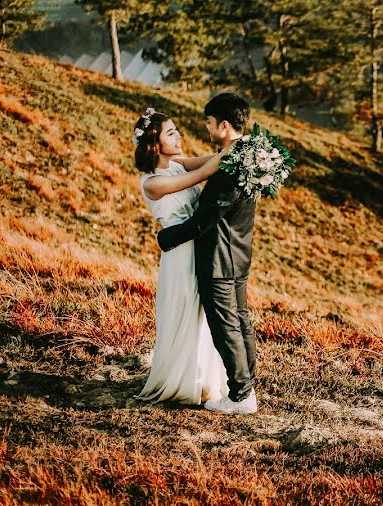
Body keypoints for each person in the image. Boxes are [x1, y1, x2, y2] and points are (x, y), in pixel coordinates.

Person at [157, 94, 259, 415]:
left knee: (226, 325)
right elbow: (202, 164)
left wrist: (167, 237)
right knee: (240, 320)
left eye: (210, 123)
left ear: (224, 125)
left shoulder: (230, 168)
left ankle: (241, 395)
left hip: (219, 258)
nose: (206, 128)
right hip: (239, 252)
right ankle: (247, 388)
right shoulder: (247, 153)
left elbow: (204, 219)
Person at [131, 107, 229, 405]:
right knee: (185, 315)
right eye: (171, 132)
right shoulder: (153, 182)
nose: (179, 136)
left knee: (202, 316)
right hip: (179, 256)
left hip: (198, 249)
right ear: (155, 143)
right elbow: (206, 171)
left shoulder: (177, 164)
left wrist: (239, 145)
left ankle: (203, 381)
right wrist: (231, 153)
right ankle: (181, 383)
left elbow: (211, 160)